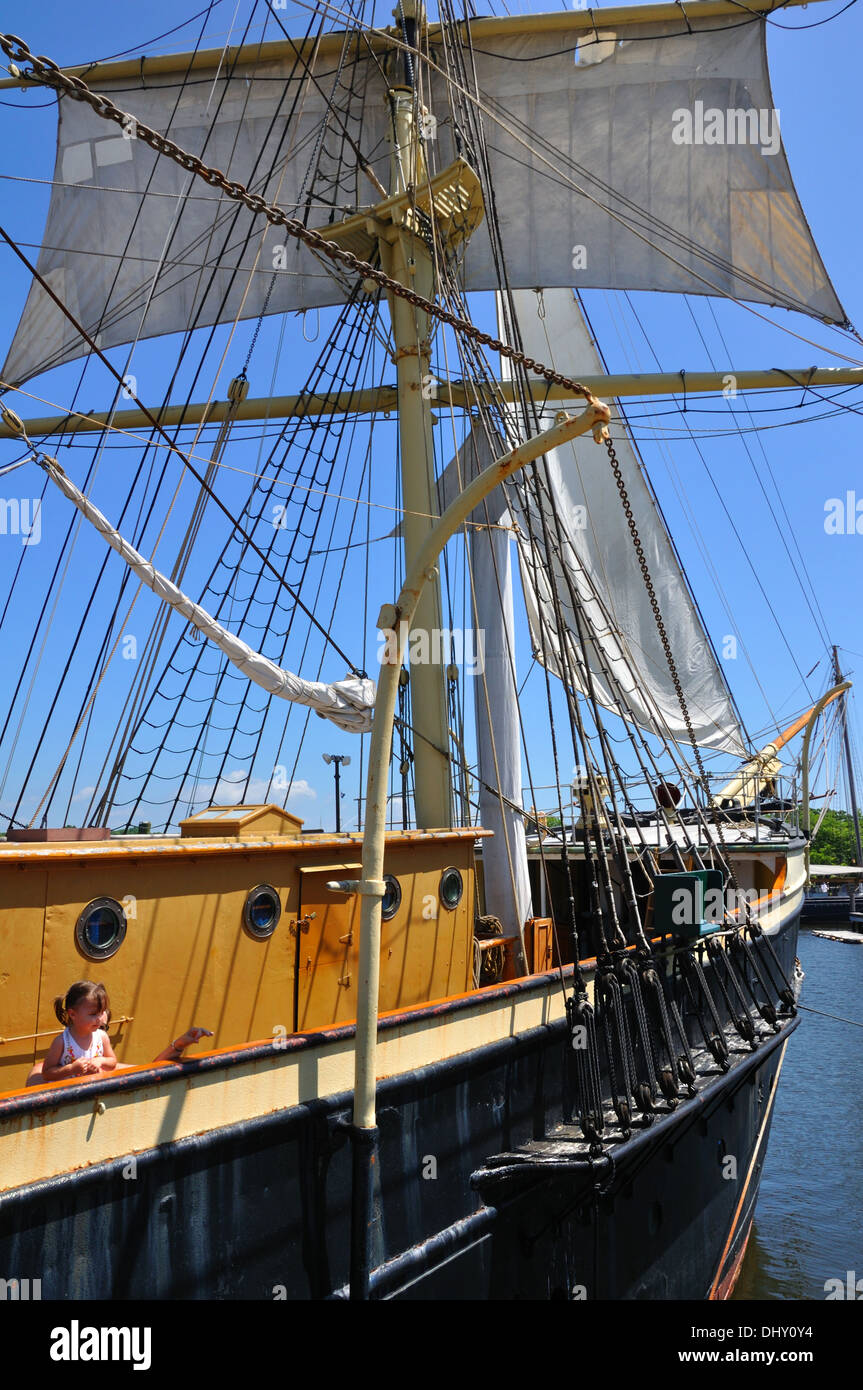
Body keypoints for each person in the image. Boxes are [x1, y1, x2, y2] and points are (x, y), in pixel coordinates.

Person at [31, 979, 213, 1087]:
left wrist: (180, 1044)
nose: (99, 1020)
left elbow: (133, 1067)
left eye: (101, 1015)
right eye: (93, 1015)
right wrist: (72, 1068)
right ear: (73, 1014)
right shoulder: (62, 1042)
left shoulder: (100, 1038)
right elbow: (46, 1073)